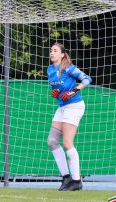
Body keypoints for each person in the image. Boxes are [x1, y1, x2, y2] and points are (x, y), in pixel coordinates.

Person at [47, 42, 92, 191]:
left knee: (67, 143)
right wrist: (55, 93)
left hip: (74, 106)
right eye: (51, 50)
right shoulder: (49, 69)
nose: (52, 53)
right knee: (52, 141)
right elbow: (57, 88)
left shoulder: (68, 68)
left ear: (62, 54)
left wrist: (73, 91)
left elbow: (87, 79)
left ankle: (77, 181)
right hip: (62, 107)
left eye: (55, 51)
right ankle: (66, 178)